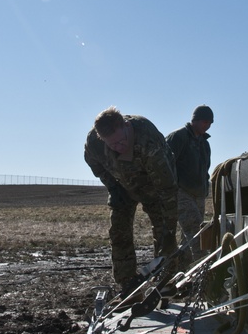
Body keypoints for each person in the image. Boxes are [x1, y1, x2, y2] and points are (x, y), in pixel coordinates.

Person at [86, 106, 180, 296]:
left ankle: (166, 282)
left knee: (164, 235)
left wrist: (170, 229)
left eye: (121, 141)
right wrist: (113, 185)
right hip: (122, 186)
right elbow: (94, 163)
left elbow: (167, 190)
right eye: (112, 145)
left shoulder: (148, 142)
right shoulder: (94, 143)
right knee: (118, 232)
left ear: (125, 125)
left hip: (154, 186)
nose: (118, 147)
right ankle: (128, 285)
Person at [166, 105, 213, 261]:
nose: (208, 125)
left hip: (199, 195)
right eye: (205, 122)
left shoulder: (204, 144)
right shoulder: (178, 137)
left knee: (188, 239)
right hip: (181, 192)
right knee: (196, 232)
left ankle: (182, 272)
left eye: (210, 123)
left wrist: (205, 189)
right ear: (195, 120)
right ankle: (205, 269)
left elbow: (206, 169)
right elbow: (166, 164)